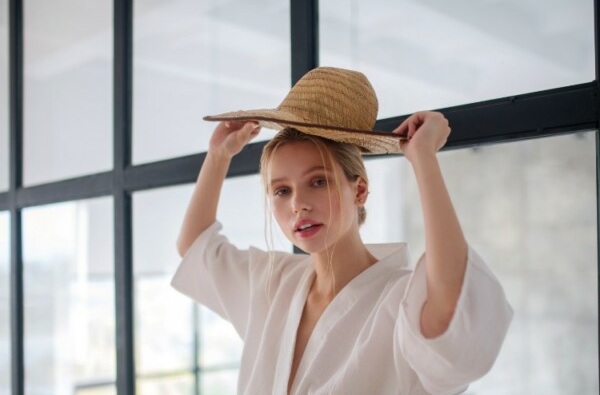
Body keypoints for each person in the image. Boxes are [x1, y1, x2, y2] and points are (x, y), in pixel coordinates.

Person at [172, 67, 513, 395]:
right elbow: (195, 247)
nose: (298, 204)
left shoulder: (398, 301)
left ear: (360, 191)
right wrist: (218, 156)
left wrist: (423, 158)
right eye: (281, 190)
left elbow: (452, 311)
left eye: (318, 182)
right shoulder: (273, 282)